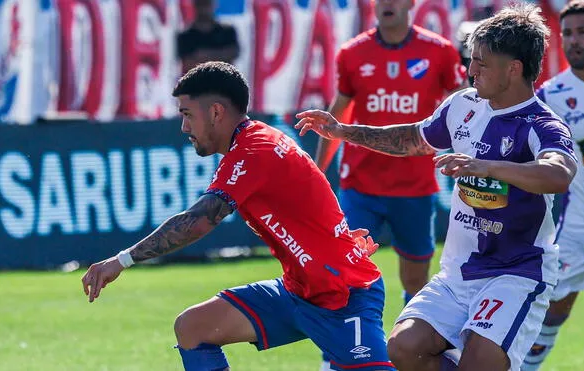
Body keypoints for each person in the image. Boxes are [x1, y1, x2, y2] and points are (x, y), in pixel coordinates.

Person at [296, 3, 578, 370]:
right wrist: (345, 131)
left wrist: (488, 167)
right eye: (470, 59)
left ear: (514, 69)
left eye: (480, 62)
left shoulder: (542, 124)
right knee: (402, 348)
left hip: (516, 273)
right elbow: (413, 138)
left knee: (479, 363)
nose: (469, 69)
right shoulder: (463, 105)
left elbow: (559, 173)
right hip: (458, 272)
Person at [81, 62, 396, 371]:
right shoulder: (248, 146)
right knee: (194, 328)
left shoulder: (255, 150)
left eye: (188, 115)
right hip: (299, 291)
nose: (184, 127)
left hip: (343, 294)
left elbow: (198, 221)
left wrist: (121, 260)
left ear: (216, 112)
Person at [315, 0, 466, 310]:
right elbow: (338, 114)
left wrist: (470, 156)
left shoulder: (439, 50)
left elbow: (461, 109)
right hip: (360, 185)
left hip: (415, 185)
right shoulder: (352, 52)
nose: (387, 4)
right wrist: (316, 173)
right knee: (345, 271)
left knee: (415, 278)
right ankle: (341, 356)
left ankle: (414, 349)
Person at [522, 2, 584, 369]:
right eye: (567, 33)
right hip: (582, 221)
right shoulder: (551, 96)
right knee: (554, 309)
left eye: (583, 32)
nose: (574, 40)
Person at [177, 0, 239, 72]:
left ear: (214, 4)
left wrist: (202, 56)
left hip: (224, 81)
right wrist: (221, 55)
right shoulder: (185, 35)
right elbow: (187, 63)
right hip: (197, 81)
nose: (204, 8)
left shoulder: (227, 31)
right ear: (195, 5)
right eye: (201, 4)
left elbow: (233, 53)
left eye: (207, 3)